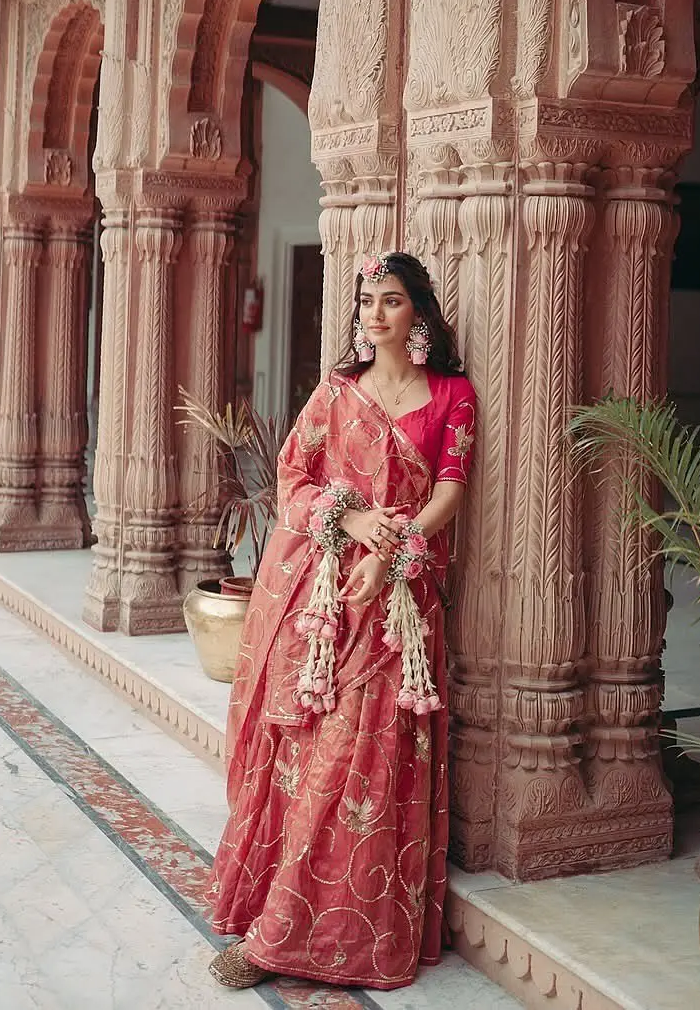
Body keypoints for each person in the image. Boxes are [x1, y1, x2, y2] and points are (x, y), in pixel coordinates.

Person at [208, 251, 476, 991]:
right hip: (325, 604)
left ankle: (293, 939)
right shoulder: (336, 393)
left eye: (391, 300)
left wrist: (391, 554)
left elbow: (450, 492)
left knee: (366, 763)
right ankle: (277, 916)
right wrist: (352, 520)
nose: (376, 313)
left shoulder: (452, 395)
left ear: (418, 312)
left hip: (400, 606)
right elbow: (292, 478)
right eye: (367, 301)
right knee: (309, 757)